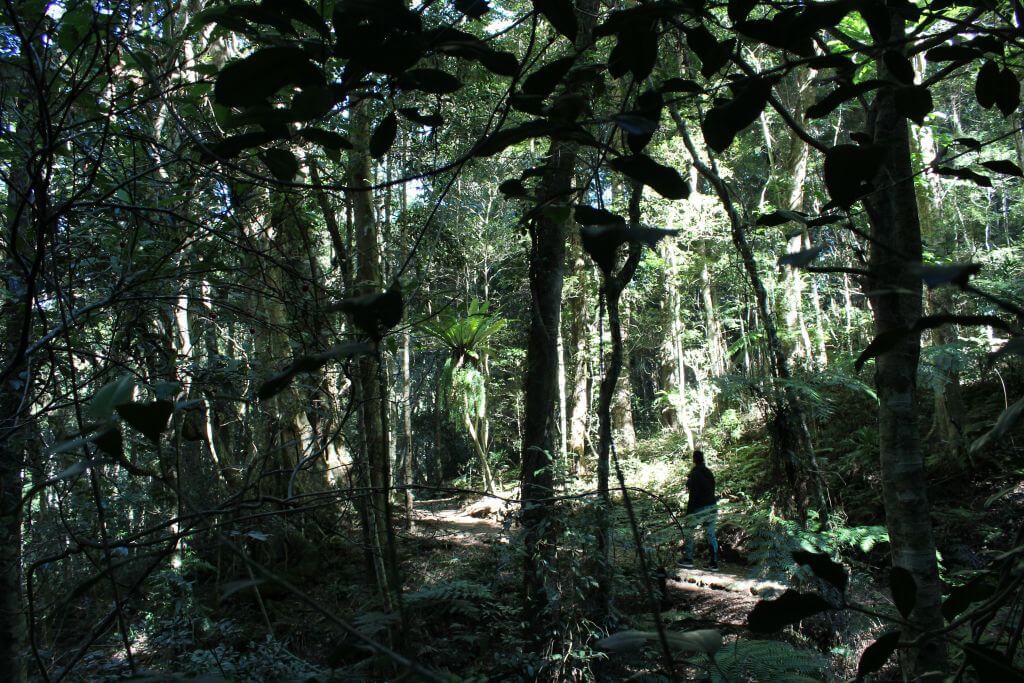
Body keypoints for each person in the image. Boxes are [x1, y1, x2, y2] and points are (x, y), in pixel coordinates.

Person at [679, 449, 719, 570]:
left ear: (694, 459)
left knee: (688, 531)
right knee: (711, 534)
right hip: (712, 506)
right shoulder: (708, 472)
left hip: (699, 508)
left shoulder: (695, 474)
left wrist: (689, 512)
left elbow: (693, 494)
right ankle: (714, 563)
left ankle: (689, 559)